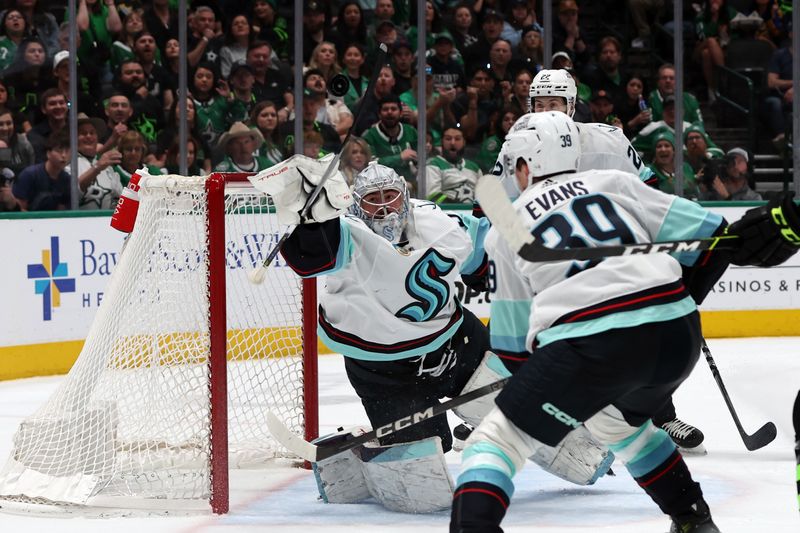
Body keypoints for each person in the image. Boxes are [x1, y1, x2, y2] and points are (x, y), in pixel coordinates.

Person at [451, 110, 800, 533]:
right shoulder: (612, 182)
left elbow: (509, 347)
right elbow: (714, 237)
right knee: (618, 427)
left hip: (590, 345)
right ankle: (693, 520)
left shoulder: (505, 225)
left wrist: (556, 388)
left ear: (524, 166)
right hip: (676, 334)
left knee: (494, 443)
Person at [255, 159, 613, 511]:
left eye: (390, 196)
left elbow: (484, 263)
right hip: (384, 372)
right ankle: (358, 459)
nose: (383, 208)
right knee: (424, 495)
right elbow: (310, 259)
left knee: (574, 453)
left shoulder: (441, 222)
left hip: (459, 346)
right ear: (356, 205)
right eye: (372, 200)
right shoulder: (347, 234)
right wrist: (307, 216)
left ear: (405, 195)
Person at [517, 72, 710, 453]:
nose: (545, 112)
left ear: (571, 106)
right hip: (556, 258)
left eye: (553, 104)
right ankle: (529, 417)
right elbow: (487, 201)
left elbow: (648, 187)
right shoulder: (520, 143)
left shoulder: (609, 140)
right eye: (538, 104)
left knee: (641, 331)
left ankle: (661, 417)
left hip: (614, 251)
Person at [66, 113, 123, 210]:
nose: (88, 136)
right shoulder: (69, 163)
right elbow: (72, 193)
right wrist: (97, 167)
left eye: (92, 133)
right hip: (78, 222)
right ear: (74, 138)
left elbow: (119, 197)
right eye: (83, 133)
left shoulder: (107, 167)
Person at [361, 94, 419, 185]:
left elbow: (421, 158)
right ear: (379, 114)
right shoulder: (369, 136)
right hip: (381, 184)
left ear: (400, 113)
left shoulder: (411, 131)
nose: (389, 112)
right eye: (385, 109)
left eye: (393, 109)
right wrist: (399, 157)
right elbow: (370, 165)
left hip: (410, 182)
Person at [12, 131, 70, 211]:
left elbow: (62, 211)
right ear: (48, 153)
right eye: (59, 151)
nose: (64, 155)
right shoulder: (29, 175)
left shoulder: (67, 179)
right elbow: (19, 209)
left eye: (67, 151)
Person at [425, 126, 482, 204]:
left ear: (464, 142)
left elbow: (483, 197)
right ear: (442, 142)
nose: (452, 143)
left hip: (473, 214)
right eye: (448, 139)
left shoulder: (474, 167)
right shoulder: (433, 165)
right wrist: (458, 208)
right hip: (447, 213)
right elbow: (432, 196)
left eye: (457, 139)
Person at [647, 130, 700, 199]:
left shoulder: (685, 167)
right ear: (655, 152)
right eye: (659, 146)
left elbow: (694, 191)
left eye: (667, 146)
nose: (663, 149)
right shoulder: (649, 171)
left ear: (674, 151)